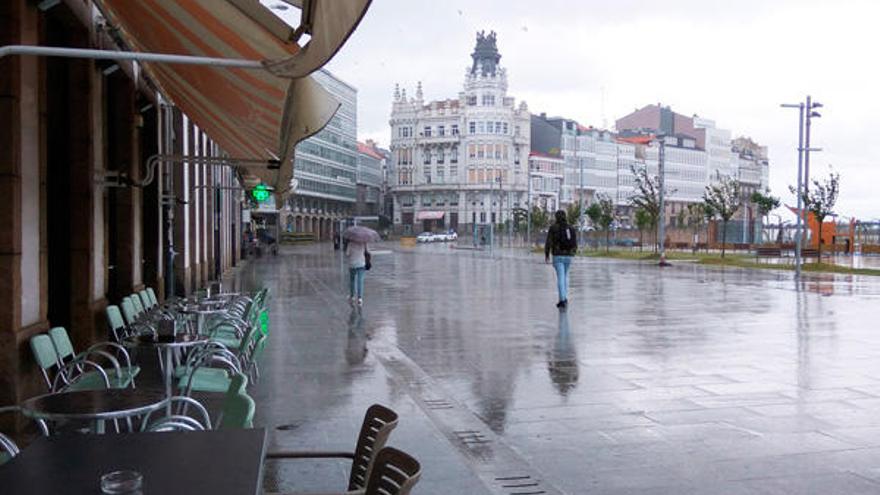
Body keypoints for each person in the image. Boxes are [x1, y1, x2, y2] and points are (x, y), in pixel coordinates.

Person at [545, 210, 577, 308]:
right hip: (568, 256)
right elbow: (575, 242)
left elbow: (548, 242)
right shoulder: (571, 228)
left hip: (557, 256)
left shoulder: (553, 228)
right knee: (565, 276)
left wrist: (547, 254)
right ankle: (564, 298)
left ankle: (562, 300)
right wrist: (573, 253)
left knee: (560, 277)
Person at [345, 238, 368, 306]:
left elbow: (347, 254)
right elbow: (367, 252)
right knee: (360, 280)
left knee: (352, 280)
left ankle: (352, 296)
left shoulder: (350, 244)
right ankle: (360, 298)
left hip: (352, 264)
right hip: (361, 264)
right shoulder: (363, 243)